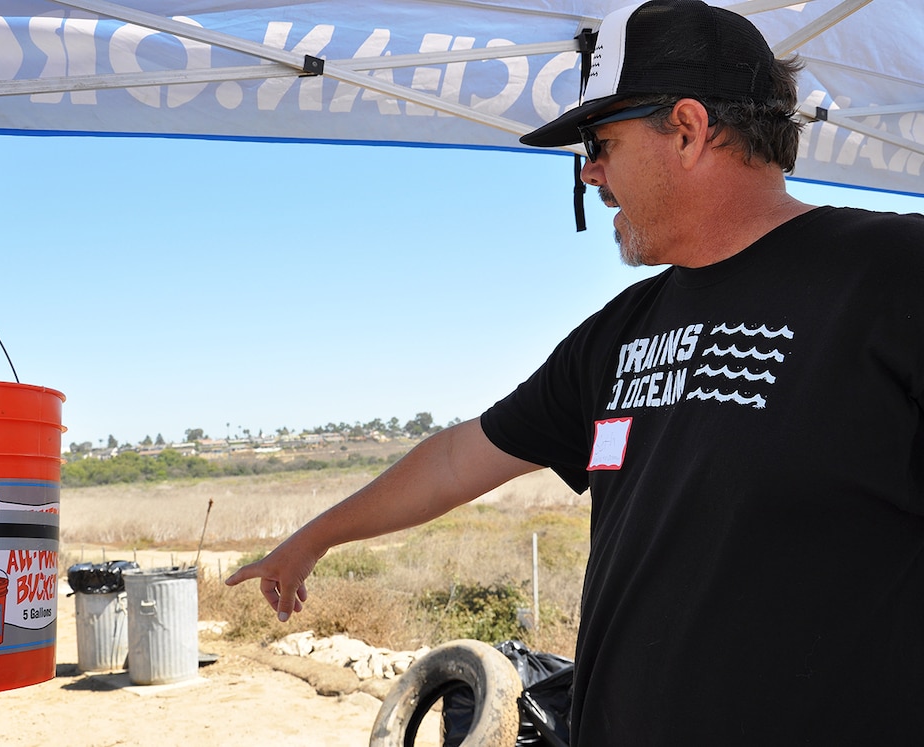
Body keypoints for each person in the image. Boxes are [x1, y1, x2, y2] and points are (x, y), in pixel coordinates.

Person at [227, 0, 924, 743]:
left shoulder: (893, 276)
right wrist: (314, 537)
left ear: (686, 130)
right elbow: (463, 455)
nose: (590, 172)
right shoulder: (619, 332)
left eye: (600, 141)